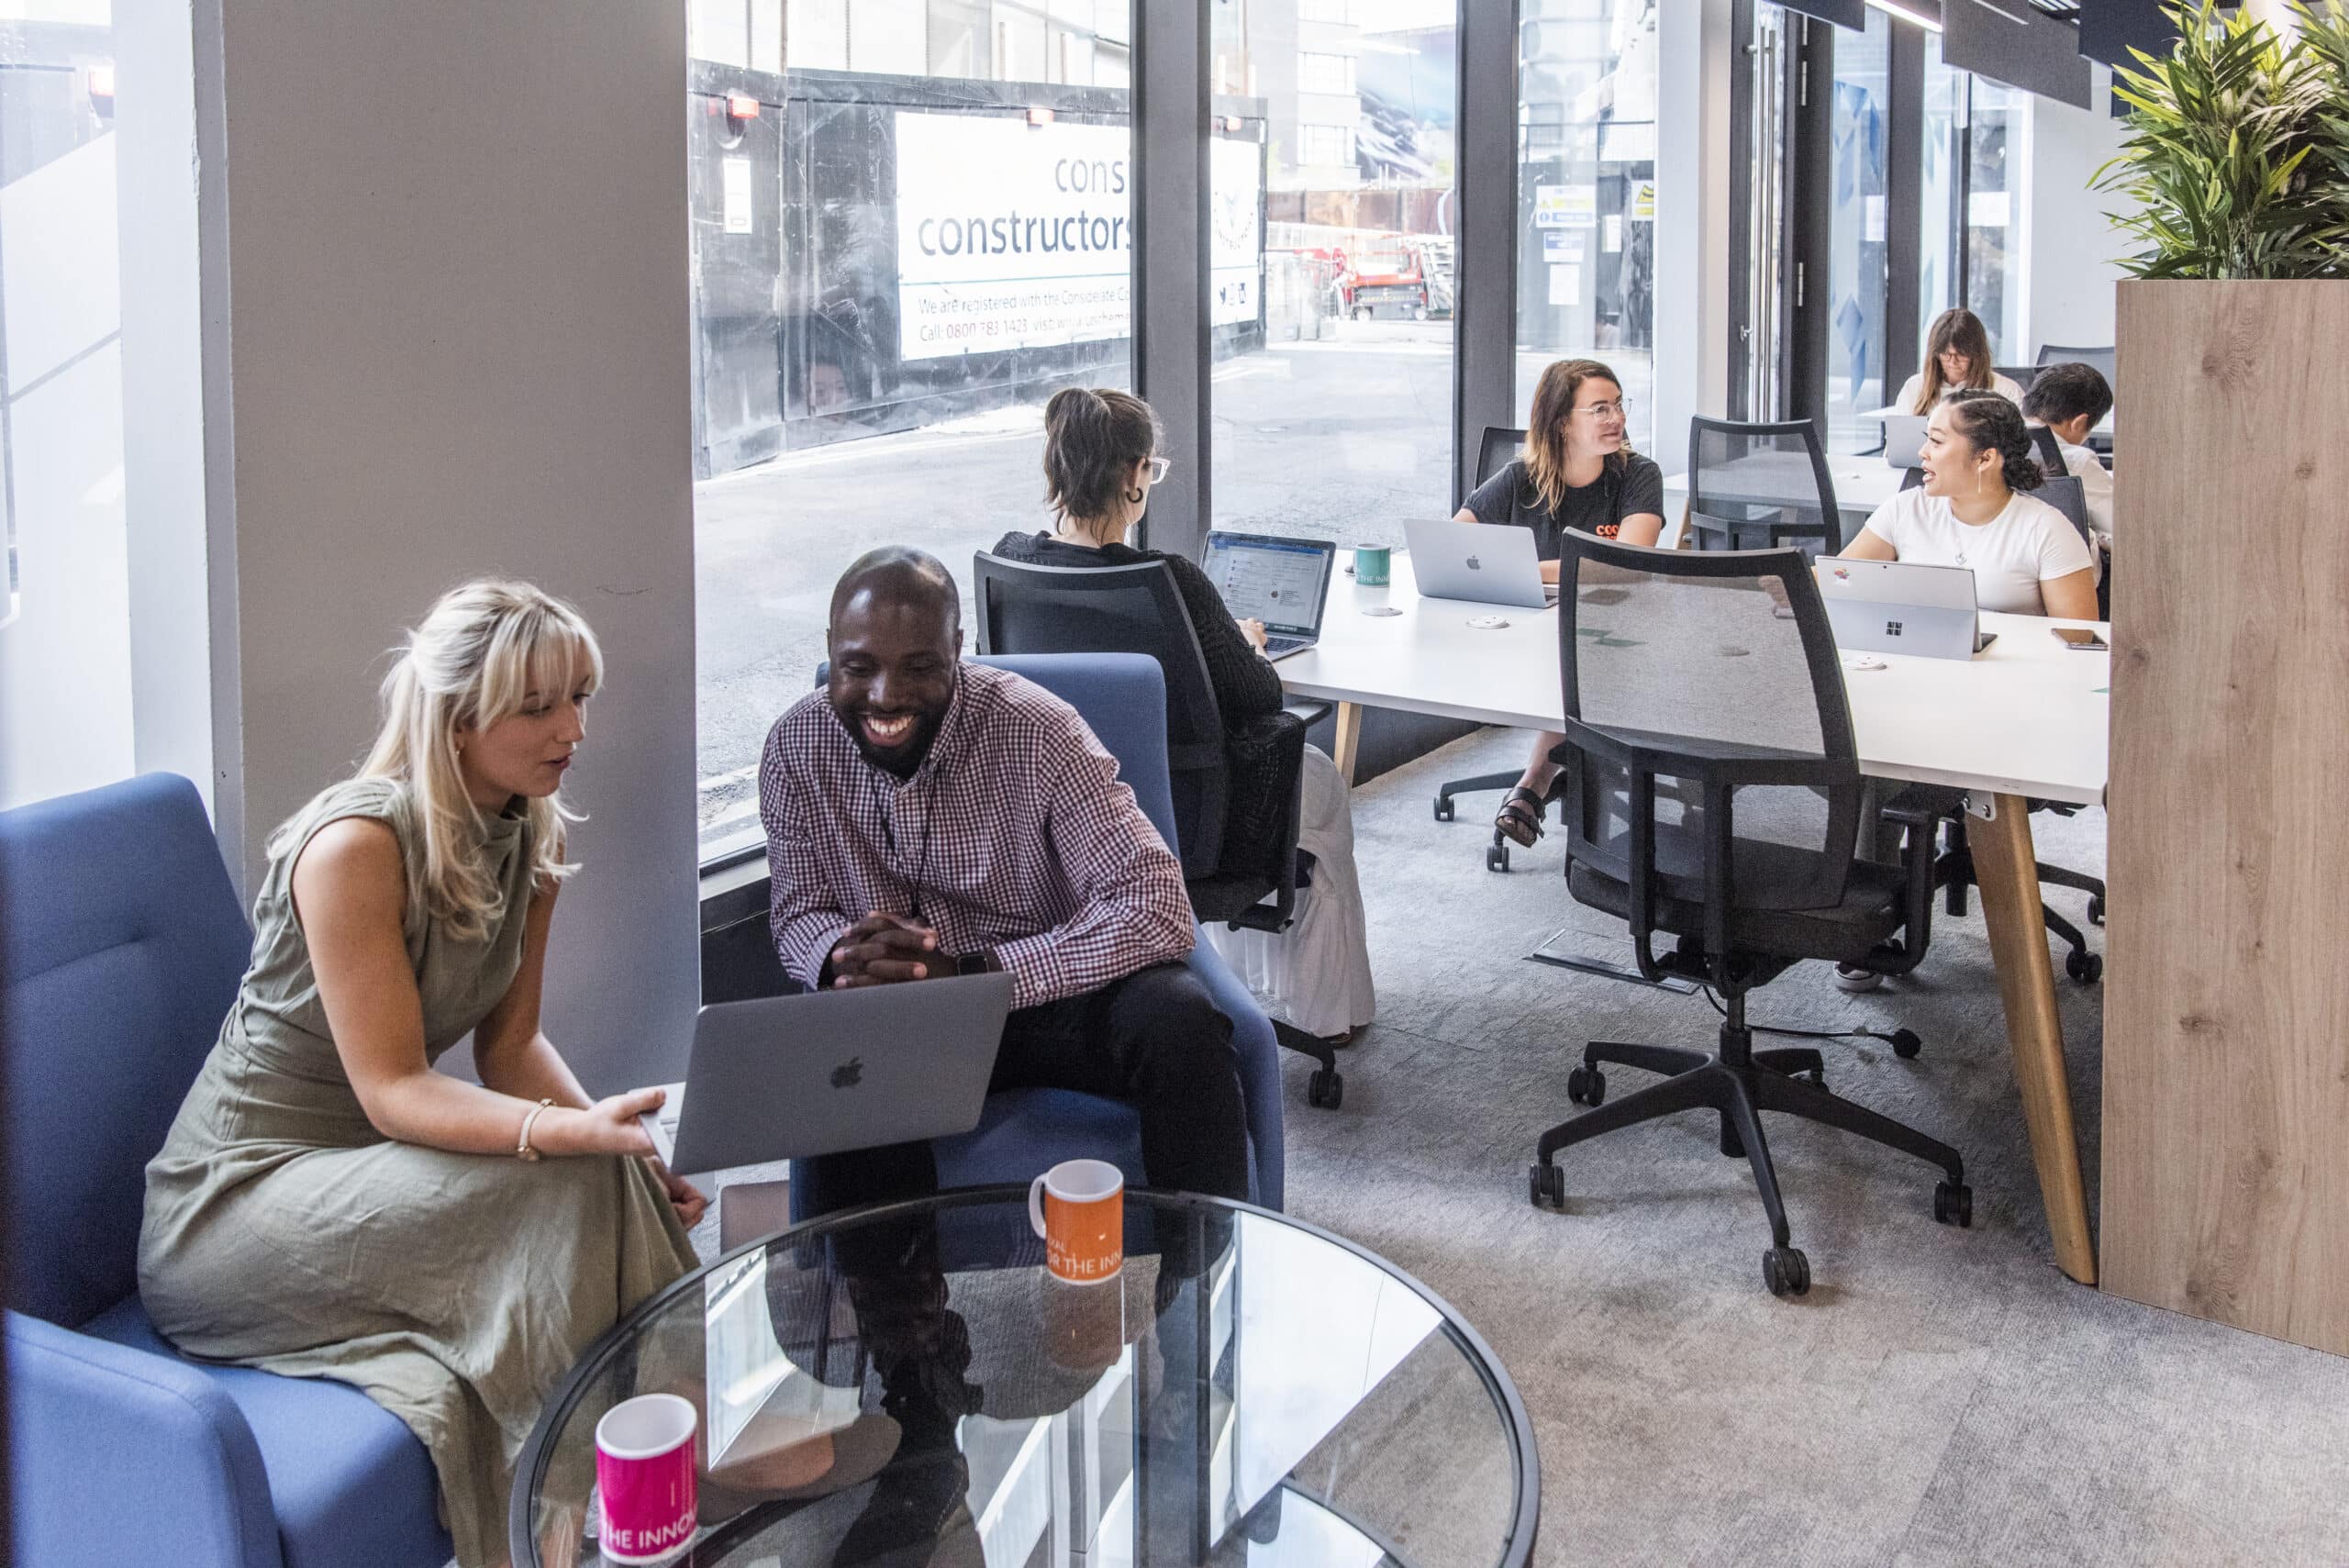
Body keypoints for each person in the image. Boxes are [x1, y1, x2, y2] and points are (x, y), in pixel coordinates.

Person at [139, 581, 705, 1568]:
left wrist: (629, 1150)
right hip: (234, 1200)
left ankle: (651, 1492)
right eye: (537, 706)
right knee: (568, 1176)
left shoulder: (534, 829)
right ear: (455, 715)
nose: (572, 727)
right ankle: (616, 1505)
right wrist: (573, 1138)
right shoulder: (355, 844)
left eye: (579, 695)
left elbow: (512, 1046)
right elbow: (393, 1088)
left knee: (601, 1173)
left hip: (370, 1171)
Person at [759, 547, 1252, 1206]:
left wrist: (976, 976)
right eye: (859, 667)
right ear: (831, 650)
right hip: (899, 1019)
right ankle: (896, 1308)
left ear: (957, 649)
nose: (885, 695)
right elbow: (799, 912)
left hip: (1045, 995)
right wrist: (844, 957)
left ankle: (1202, 1291)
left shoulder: (1039, 729)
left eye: (919, 667)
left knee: (1179, 1020)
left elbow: (1155, 902)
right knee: (852, 1068)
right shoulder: (795, 748)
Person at [992, 387, 1375, 1042]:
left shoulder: (1010, 563)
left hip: (1064, 820)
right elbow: (1260, 699)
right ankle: (1327, 1013)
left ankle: (1234, 978)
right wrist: (1248, 646)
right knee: (1323, 785)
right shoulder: (1170, 579)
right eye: (1152, 468)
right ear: (1134, 475)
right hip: (1187, 820)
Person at [1453, 357, 1664, 852]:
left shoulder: (1638, 475)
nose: (1616, 418)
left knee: (1573, 655)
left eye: (1618, 405)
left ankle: (1533, 782)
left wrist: (1514, 564)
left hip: (1618, 632)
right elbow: (1457, 543)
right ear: (1562, 422)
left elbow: (1624, 562)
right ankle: (1542, 774)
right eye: (1599, 409)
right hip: (1527, 626)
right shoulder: (1520, 477)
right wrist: (1562, 566)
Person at [1841, 390, 2099, 620]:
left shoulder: (2048, 530)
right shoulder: (1905, 509)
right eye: (1926, 438)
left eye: (1937, 441)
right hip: (1914, 664)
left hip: (2010, 671)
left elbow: (2079, 641)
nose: (1922, 452)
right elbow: (1837, 577)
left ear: (1985, 458)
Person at [2021, 361, 2116, 551]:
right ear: (2080, 423)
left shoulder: (1998, 440)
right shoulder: (2078, 461)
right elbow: (2117, 528)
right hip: (2064, 571)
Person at [1892, 307, 2027, 416]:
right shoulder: (1914, 387)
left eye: (1961, 355)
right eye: (1946, 354)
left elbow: (2023, 444)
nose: (1952, 362)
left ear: (1977, 354)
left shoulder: (2006, 391)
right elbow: (1897, 441)